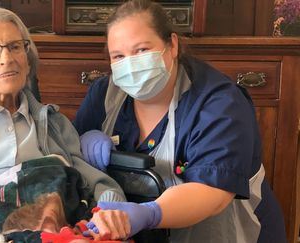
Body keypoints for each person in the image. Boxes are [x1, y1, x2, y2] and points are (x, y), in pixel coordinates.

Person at [73, 0, 287, 242]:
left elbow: (213, 193)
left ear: (172, 45)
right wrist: (81, 141)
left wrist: (149, 214)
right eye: (119, 56)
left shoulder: (219, 103)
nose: (130, 64)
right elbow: (70, 159)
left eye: (142, 50)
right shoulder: (105, 95)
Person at [0, 7, 126, 235]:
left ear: (28, 61)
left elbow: (97, 182)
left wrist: (110, 210)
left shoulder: (53, 123)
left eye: (15, 47)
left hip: (60, 231)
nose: (7, 59)